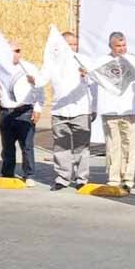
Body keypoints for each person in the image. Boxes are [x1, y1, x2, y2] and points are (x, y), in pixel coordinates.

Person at [0, 41, 44, 186]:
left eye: (18, 50)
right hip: (6, 113)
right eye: (12, 51)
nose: (16, 53)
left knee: (27, 145)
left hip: (24, 111)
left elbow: (39, 89)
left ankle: (28, 175)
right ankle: (7, 173)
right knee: (7, 146)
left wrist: (38, 109)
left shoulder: (29, 68)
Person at [34, 32, 96, 191]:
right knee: (61, 147)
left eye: (75, 44)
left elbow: (95, 84)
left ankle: (82, 178)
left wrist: (94, 107)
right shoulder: (52, 63)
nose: (73, 47)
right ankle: (62, 178)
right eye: (69, 44)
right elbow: (41, 80)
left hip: (81, 110)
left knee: (82, 147)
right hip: (59, 109)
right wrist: (33, 78)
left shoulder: (84, 61)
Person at [94, 32, 135, 193]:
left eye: (123, 46)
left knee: (129, 145)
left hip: (128, 109)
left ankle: (128, 178)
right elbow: (92, 82)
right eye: (118, 46)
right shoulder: (101, 62)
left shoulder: (134, 61)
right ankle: (113, 178)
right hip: (110, 109)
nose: (121, 49)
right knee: (112, 145)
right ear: (110, 46)